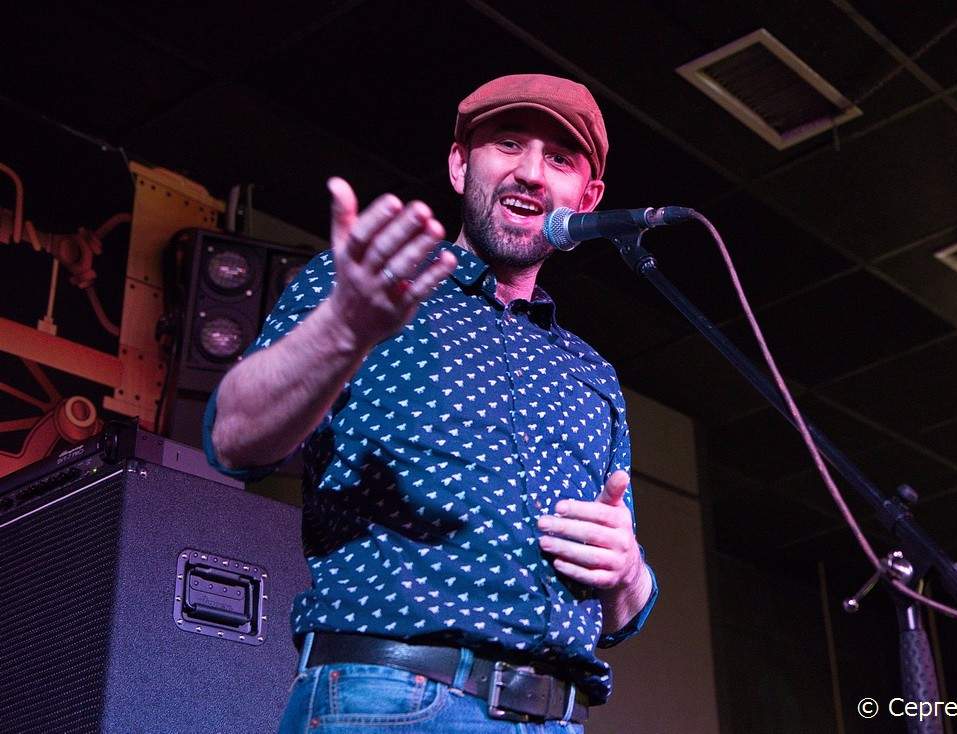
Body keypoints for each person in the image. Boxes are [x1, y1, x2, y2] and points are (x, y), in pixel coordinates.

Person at [204, 73, 658, 733]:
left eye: (560, 159)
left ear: (586, 200)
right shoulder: (365, 290)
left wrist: (627, 571)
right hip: (394, 699)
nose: (532, 173)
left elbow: (621, 614)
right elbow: (232, 438)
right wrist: (342, 331)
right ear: (459, 165)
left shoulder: (592, 376)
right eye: (509, 144)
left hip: (556, 717)